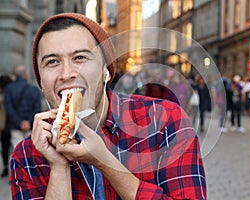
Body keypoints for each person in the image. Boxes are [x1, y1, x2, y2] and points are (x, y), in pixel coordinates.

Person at [10, 13, 206, 199]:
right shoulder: (27, 155)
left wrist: (104, 162)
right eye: (52, 62)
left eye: (80, 58)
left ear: (106, 71)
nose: (67, 73)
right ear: (41, 81)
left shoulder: (164, 121)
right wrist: (58, 166)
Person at [4, 65, 41, 150]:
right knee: (30, 150)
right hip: (30, 126)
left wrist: (19, 122)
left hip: (15, 126)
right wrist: (28, 122)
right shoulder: (34, 89)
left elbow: (8, 107)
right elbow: (37, 108)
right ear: (25, 75)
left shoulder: (9, 89)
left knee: (17, 149)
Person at [0, 74, 13, 177]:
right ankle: (10, 166)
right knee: (11, 145)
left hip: (4, 123)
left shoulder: (6, 93)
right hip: (9, 122)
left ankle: (5, 166)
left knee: (5, 146)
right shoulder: (11, 91)